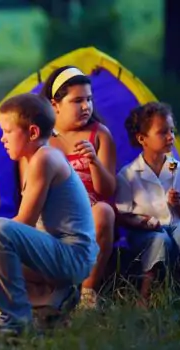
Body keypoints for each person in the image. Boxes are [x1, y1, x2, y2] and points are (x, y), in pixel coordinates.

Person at [0, 93, 98, 334]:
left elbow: (25, 223)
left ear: (32, 133)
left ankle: (13, 319)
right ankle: (52, 299)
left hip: (72, 256)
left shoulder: (46, 158)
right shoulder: (35, 160)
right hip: (52, 256)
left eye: (7, 131)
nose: (2, 139)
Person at [38, 66, 116, 308]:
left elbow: (107, 190)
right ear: (55, 104)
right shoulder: (40, 137)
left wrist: (93, 161)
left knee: (104, 211)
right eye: (78, 100)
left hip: (88, 215)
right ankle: (52, 290)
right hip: (50, 215)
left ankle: (87, 293)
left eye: (89, 99)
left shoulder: (100, 135)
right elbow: (28, 189)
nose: (86, 107)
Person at [116, 102, 180, 305]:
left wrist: (177, 204)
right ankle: (145, 298)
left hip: (176, 227)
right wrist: (142, 222)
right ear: (142, 139)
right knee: (159, 240)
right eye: (162, 132)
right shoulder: (129, 175)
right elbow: (123, 215)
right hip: (145, 233)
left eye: (172, 131)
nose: (171, 137)